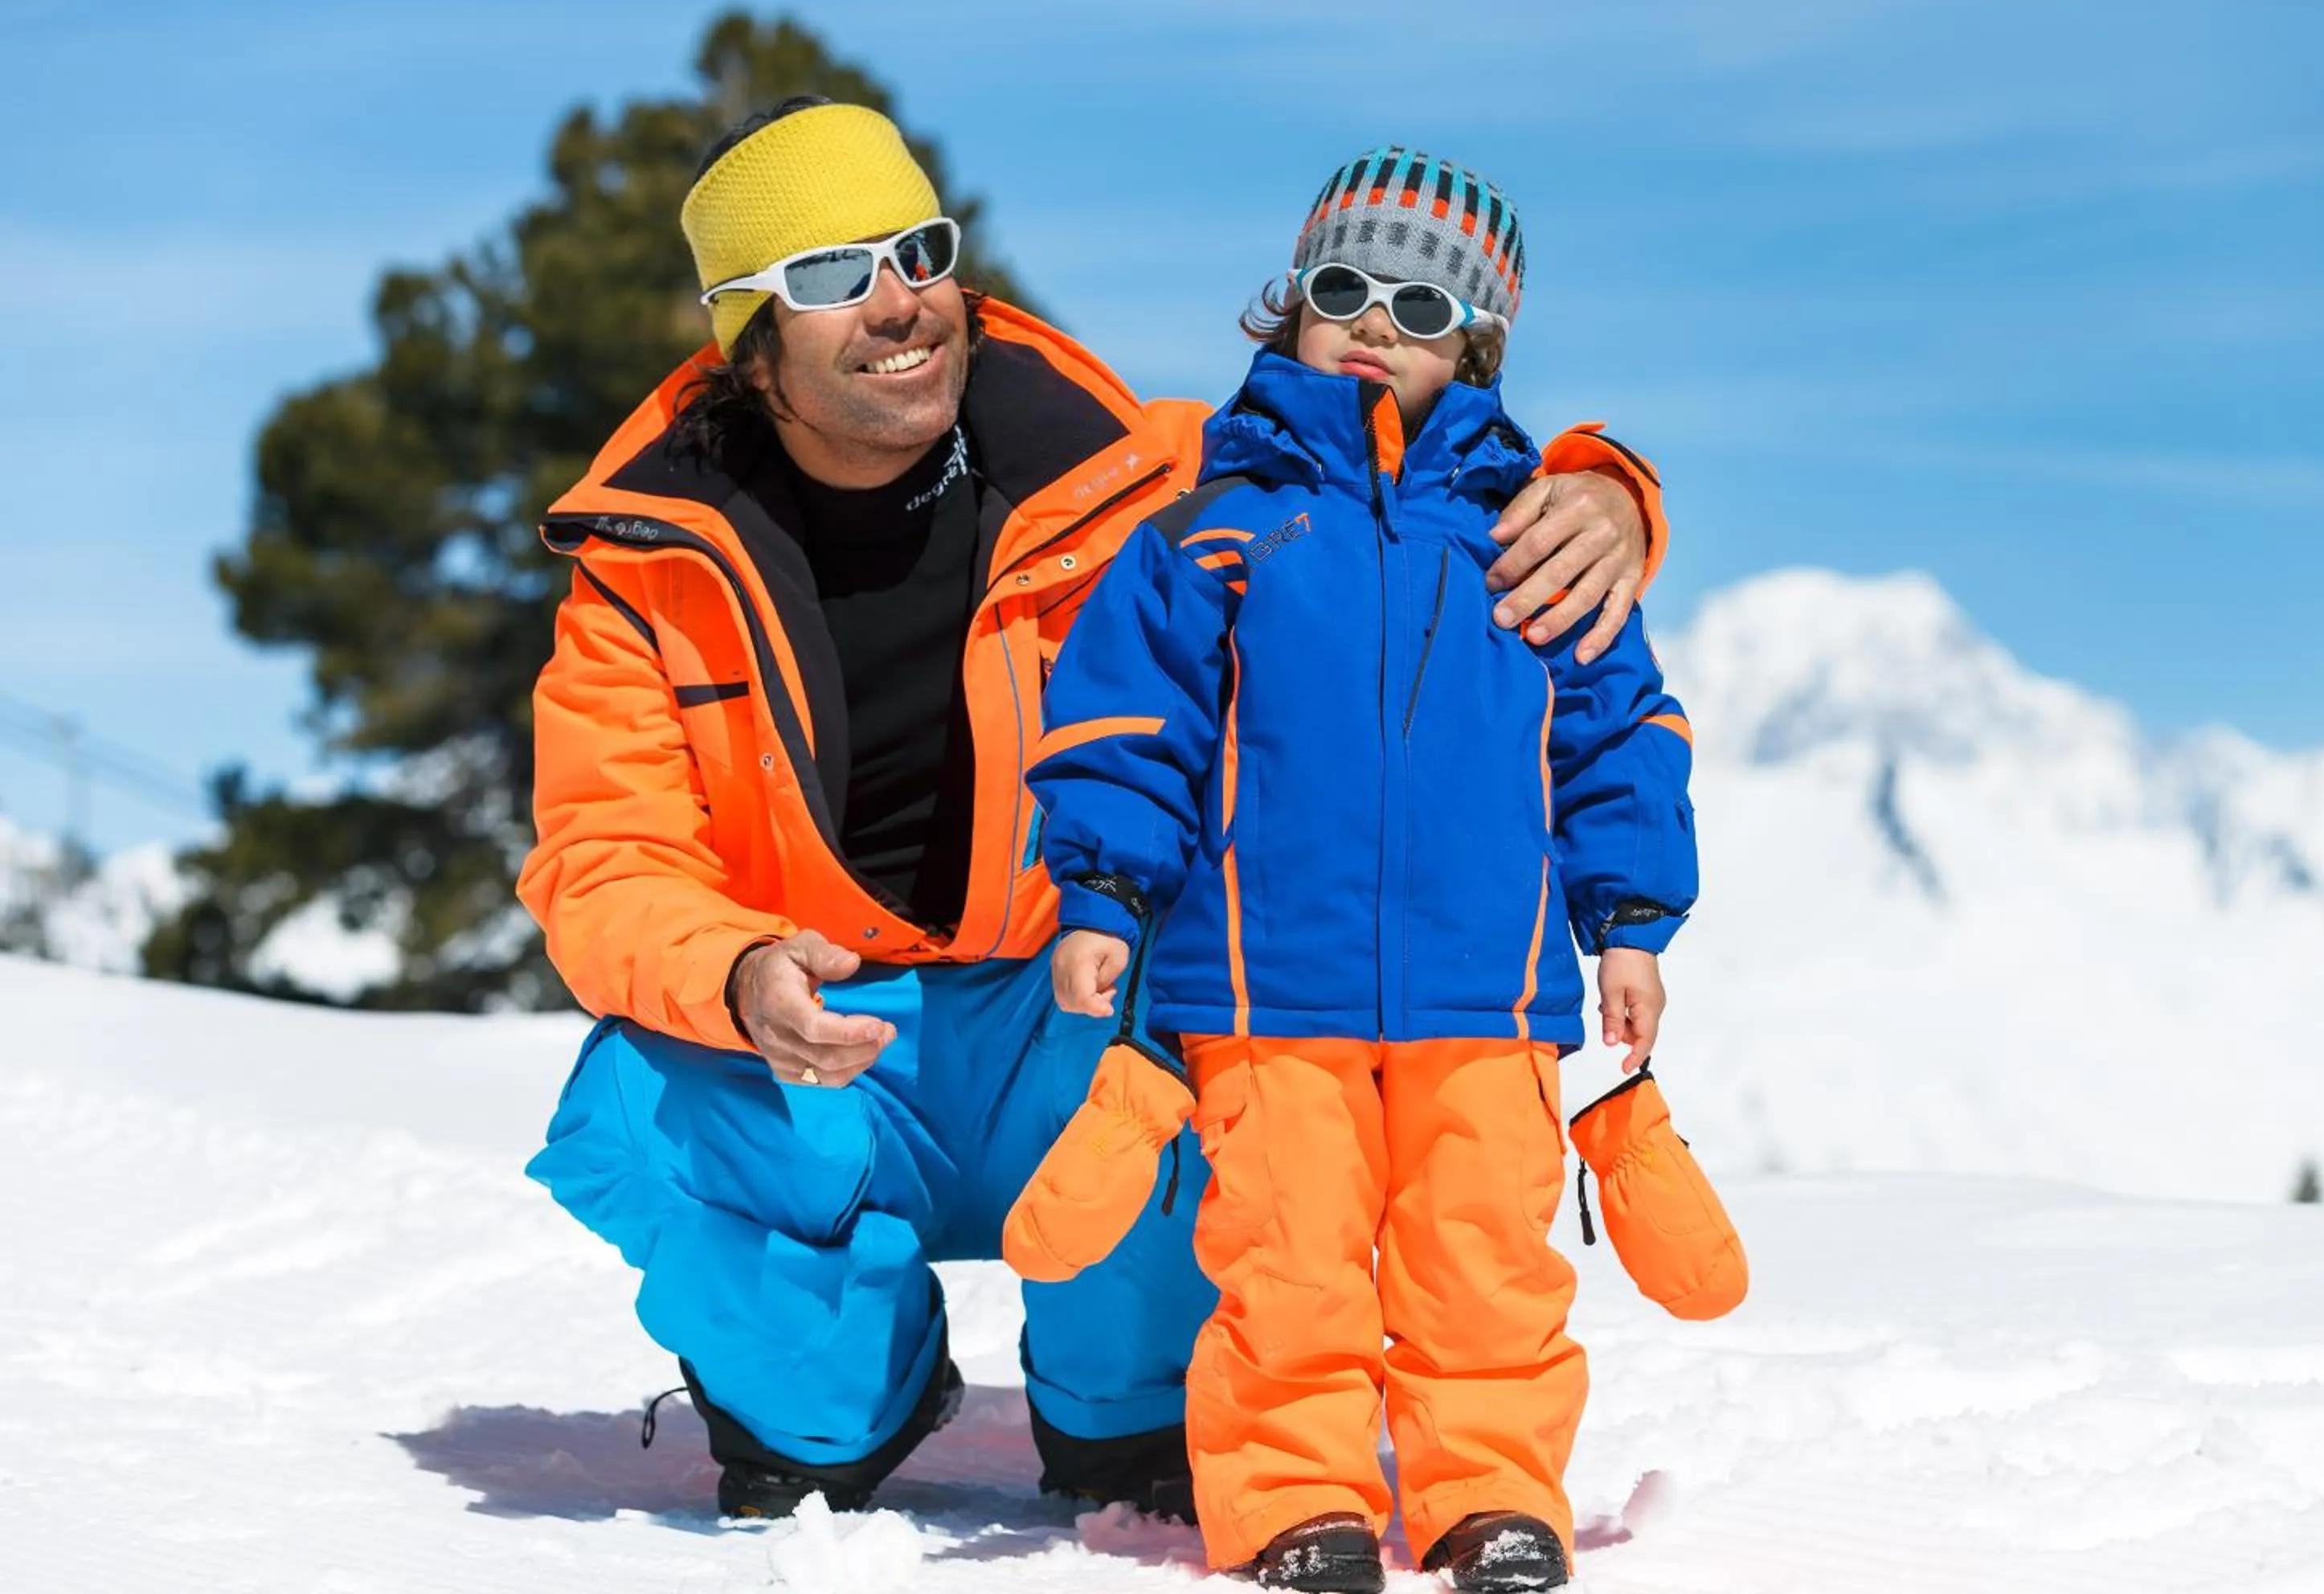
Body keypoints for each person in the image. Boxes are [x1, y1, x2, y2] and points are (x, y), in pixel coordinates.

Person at [515, 101, 1670, 1524]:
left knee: (1234, 1031)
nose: (898, 306)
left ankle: (1119, 1404)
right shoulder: (643, 570)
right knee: (635, 1109)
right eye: (830, 279)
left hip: (1072, 1019)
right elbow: (603, 858)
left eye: (919, 252)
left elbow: (1384, 483)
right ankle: (845, 1393)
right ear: (750, 343)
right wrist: (735, 973)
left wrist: (1608, 493)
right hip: (821, 1046)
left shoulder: (1135, 476)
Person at [1021, 149, 1701, 1592]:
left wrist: (1628, 924)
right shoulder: (1218, 522)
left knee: (1484, 1264)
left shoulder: (1532, 534)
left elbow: (1619, 735)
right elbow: (1131, 722)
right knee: (1288, 1261)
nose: (1377, 323)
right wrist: (1099, 890)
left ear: (1479, 348)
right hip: (1267, 993)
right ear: (1289, 312)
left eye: (1422, 304)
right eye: (1344, 289)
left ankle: (1494, 1495)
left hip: (1490, 995)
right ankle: (1291, 1500)